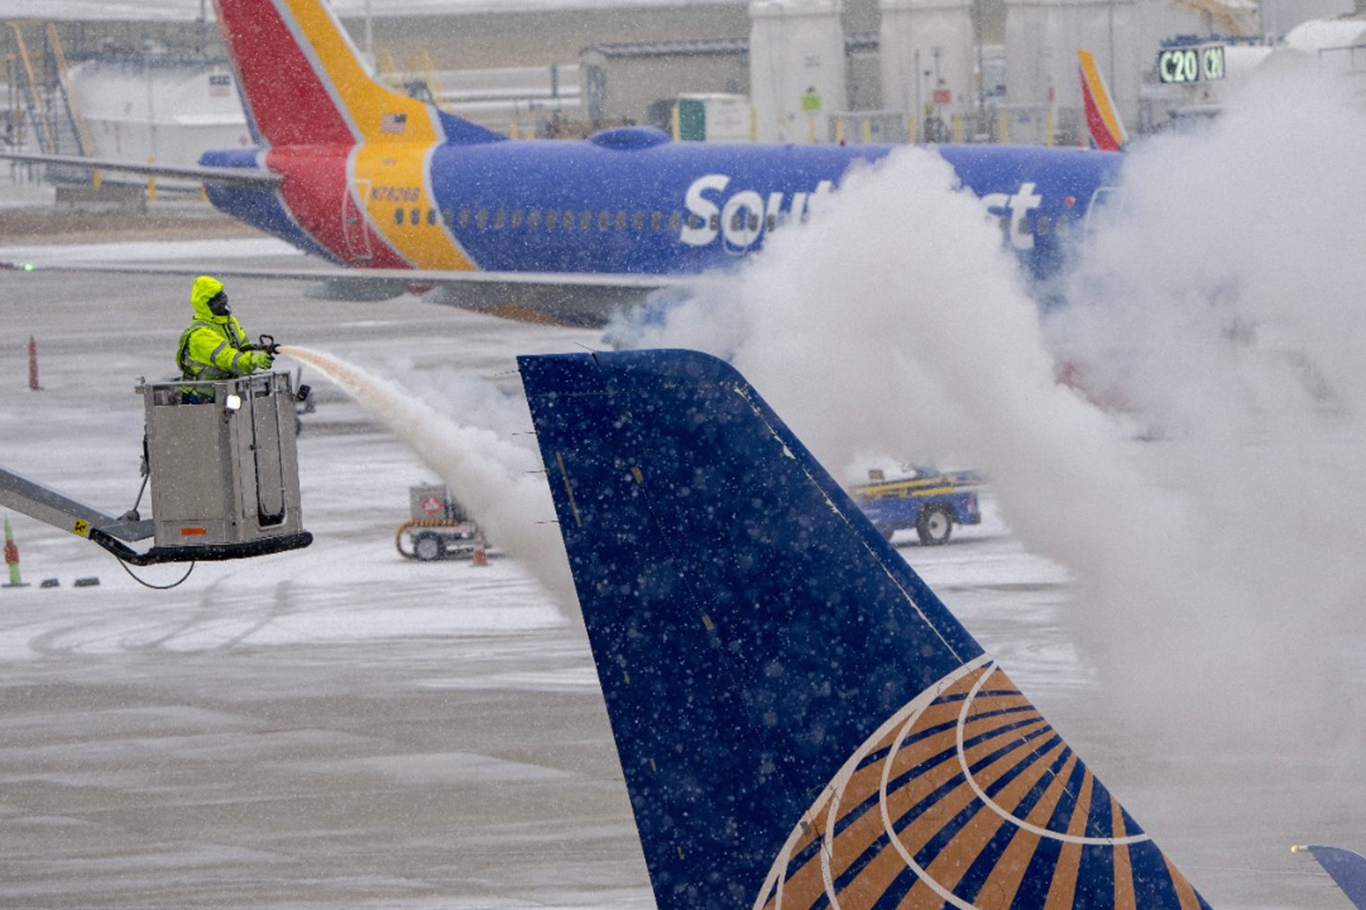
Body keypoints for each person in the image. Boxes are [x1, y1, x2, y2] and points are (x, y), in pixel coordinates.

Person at [176, 275, 274, 393]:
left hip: (228, 392)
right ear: (207, 304)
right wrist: (254, 361)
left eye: (222, 295)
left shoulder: (230, 322)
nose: (223, 301)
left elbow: (245, 347)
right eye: (218, 299)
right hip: (204, 396)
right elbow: (229, 358)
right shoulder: (200, 334)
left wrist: (257, 355)